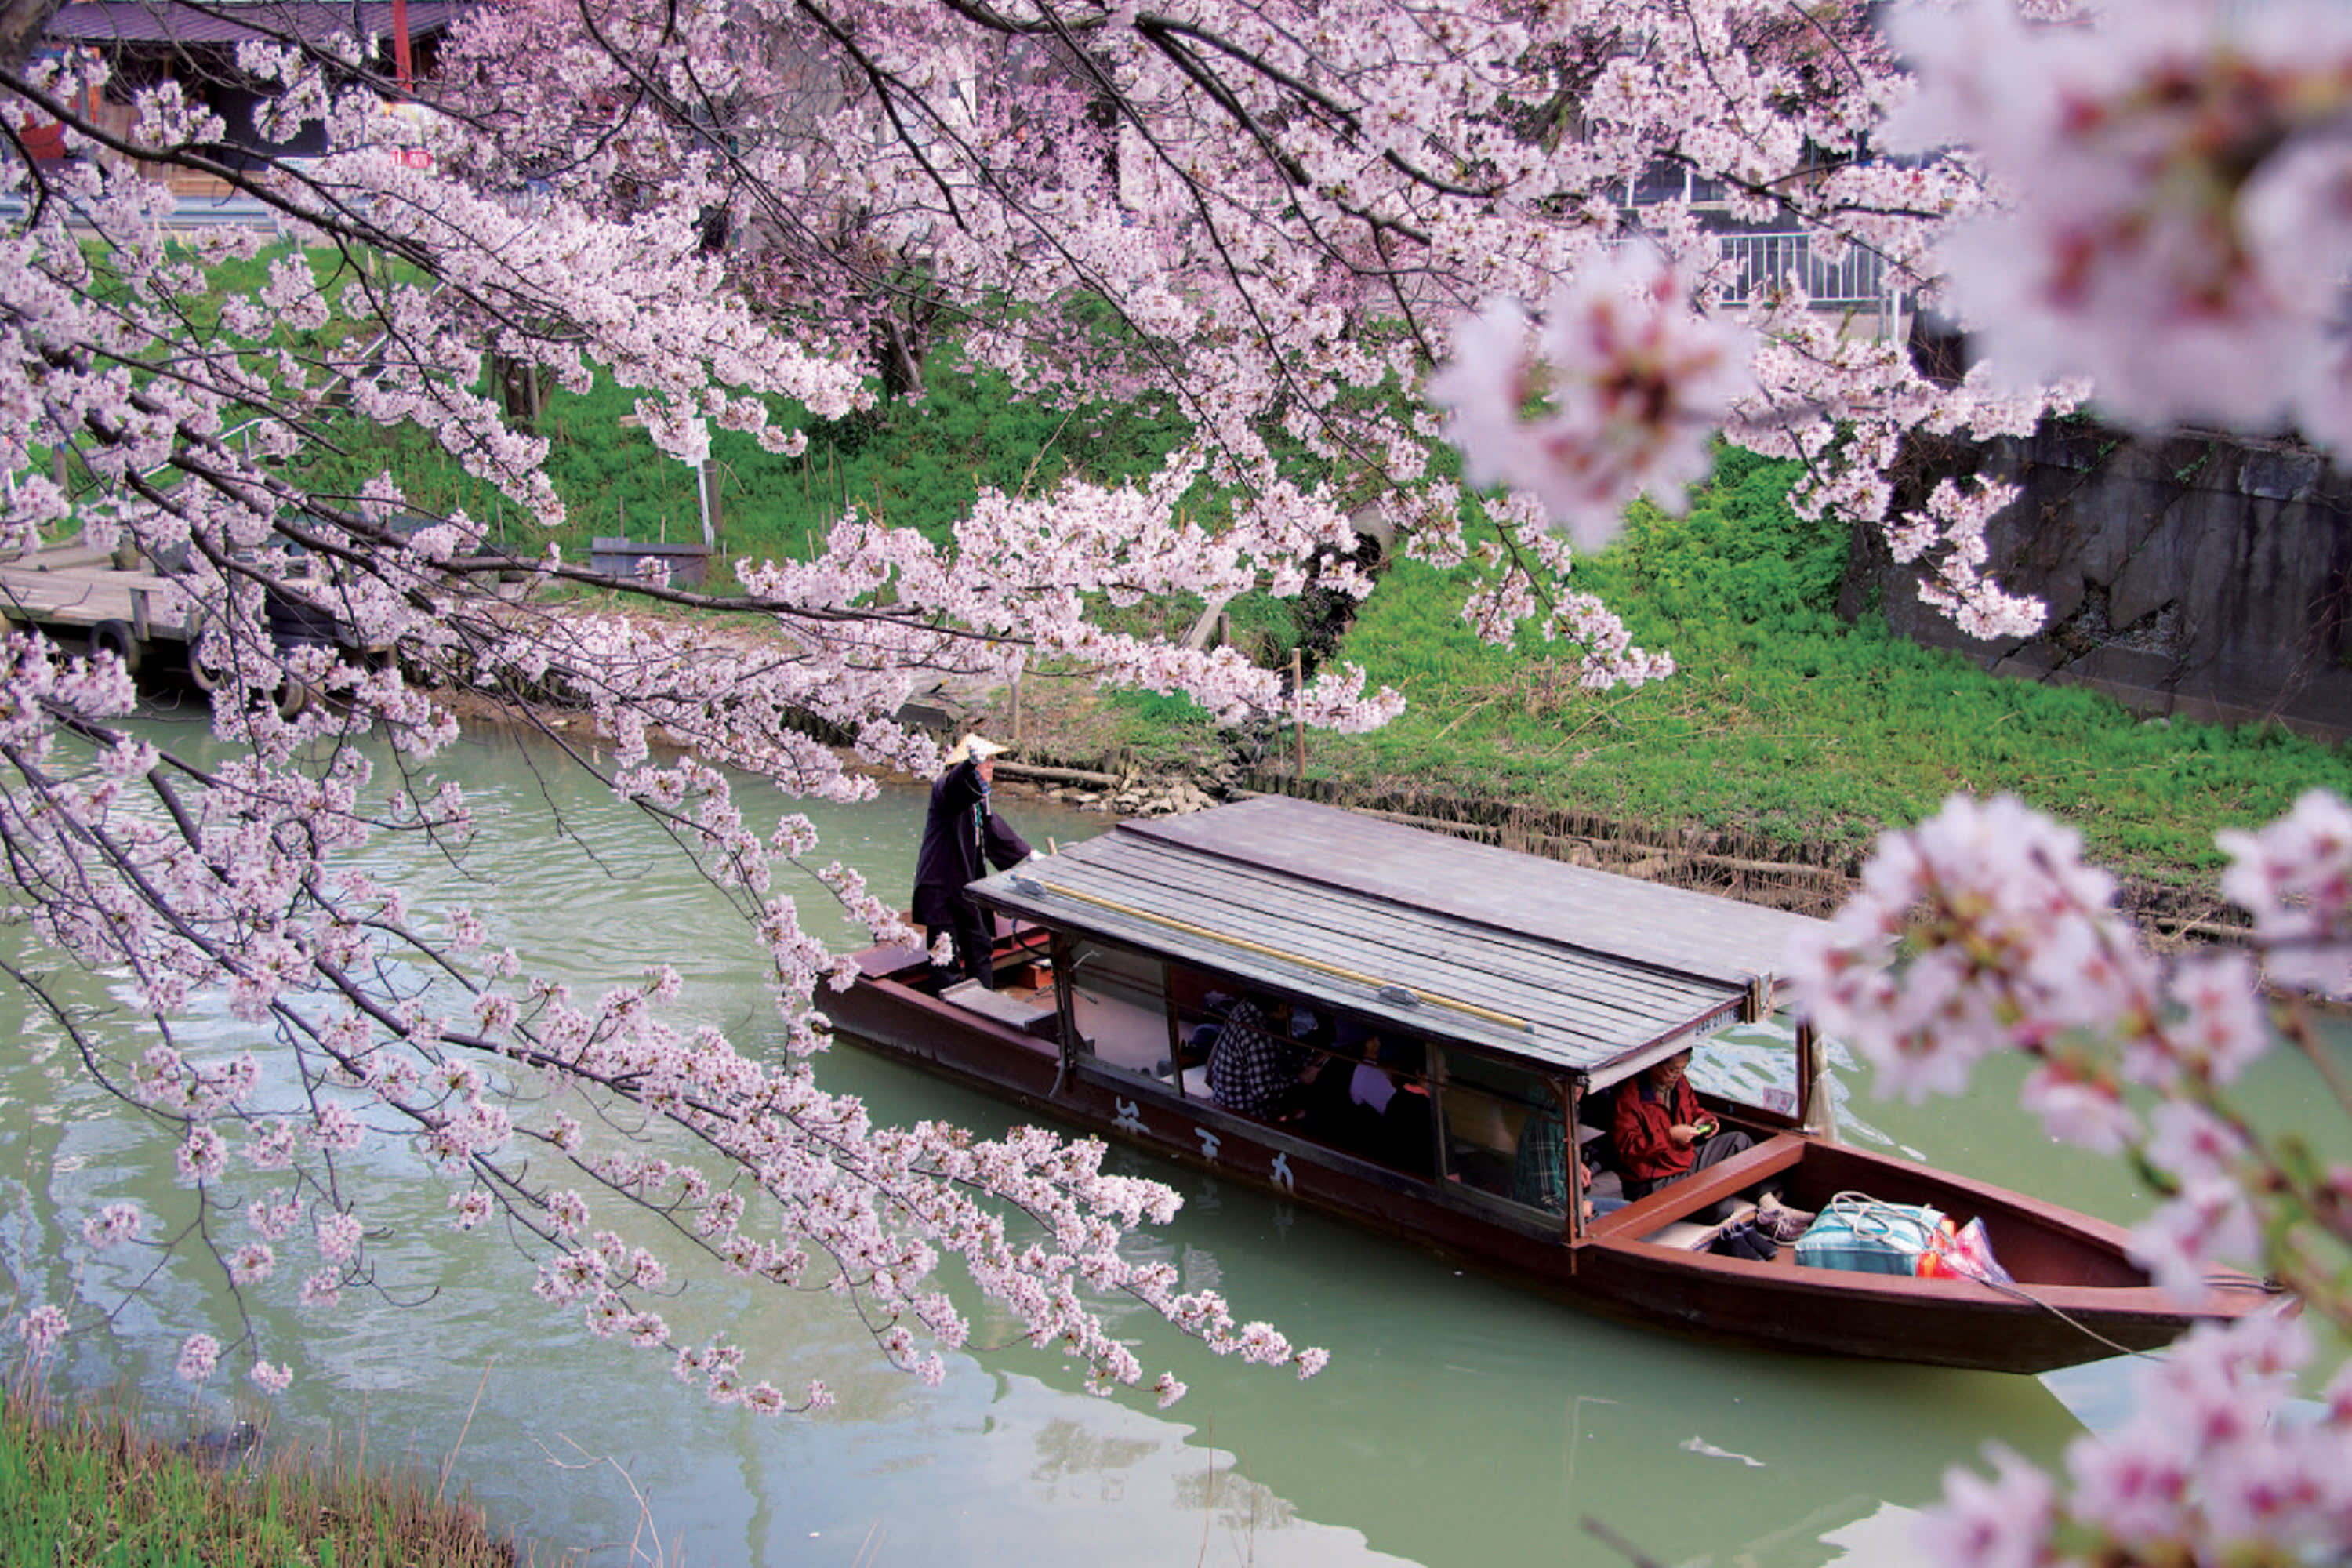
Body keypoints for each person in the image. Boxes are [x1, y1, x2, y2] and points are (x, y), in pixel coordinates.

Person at [911, 734, 1033, 989]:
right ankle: (947, 1015)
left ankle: (984, 1003)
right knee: (945, 959)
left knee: (980, 946)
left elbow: (993, 829)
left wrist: (1029, 854)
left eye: (992, 760)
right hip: (941, 888)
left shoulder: (980, 800)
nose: (992, 765)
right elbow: (955, 786)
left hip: (967, 887)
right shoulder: (945, 789)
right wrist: (968, 766)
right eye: (986, 760)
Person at [1611, 1047, 1754, 1201]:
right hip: (1652, 1181)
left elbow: (1694, 1109)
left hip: (1684, 1161)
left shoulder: (1680, 1083)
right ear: (1654, 1065)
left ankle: (1767, 1201)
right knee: (1719, 1208)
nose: (1677, 1075)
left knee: (1739, 1141)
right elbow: (1627, 1149)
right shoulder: (1628, 1097)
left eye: (1682, 1069)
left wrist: (1705, 1120)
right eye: (1672, 1070)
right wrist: (1669, 1136)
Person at [1207, 996, 1312, 1119]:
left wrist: (1303, 1062)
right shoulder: (1258, 1035)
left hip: (1223, 1098)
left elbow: (1275, 1054)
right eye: (1290, 1007)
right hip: (1245, 1114)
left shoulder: (1245, 1007)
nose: (1291, 1012)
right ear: (1281, 1006)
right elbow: (1264, 1092)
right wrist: (1301, 1079)